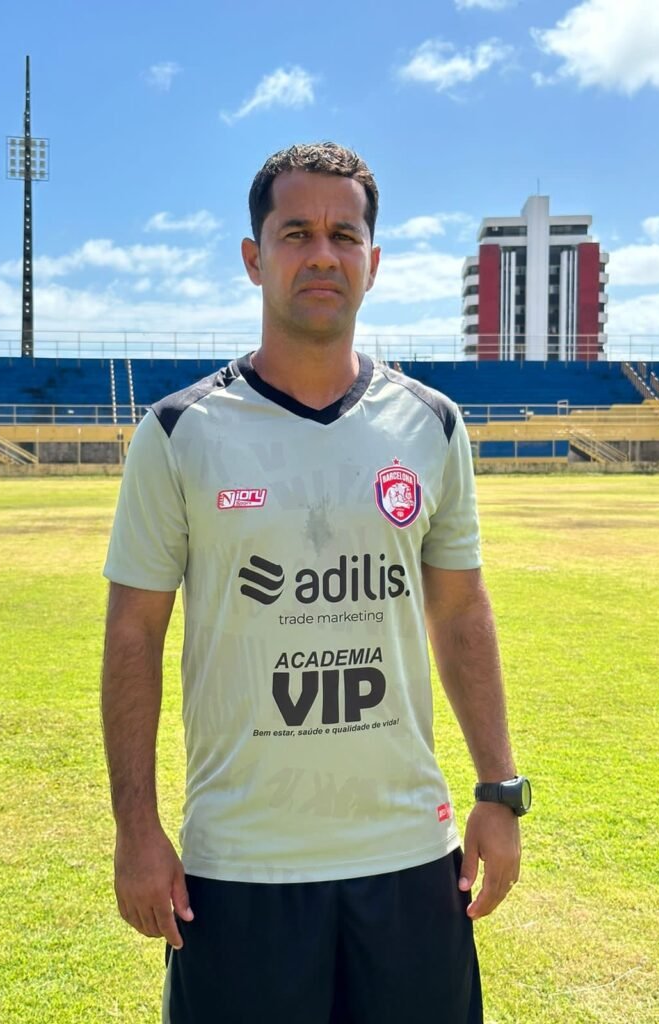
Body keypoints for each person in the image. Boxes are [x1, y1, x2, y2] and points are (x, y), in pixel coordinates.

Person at [101, 142, 529, 1024]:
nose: (323, 254)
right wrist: (135, 830)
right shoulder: (180, 432)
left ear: (374, 260)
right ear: (254, 257)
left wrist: (498, 790)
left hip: (408, 854)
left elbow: (460, 612)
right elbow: (134, 633)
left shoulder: (432, 425)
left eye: (345, 235)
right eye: (296, 233)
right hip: (241, 864)